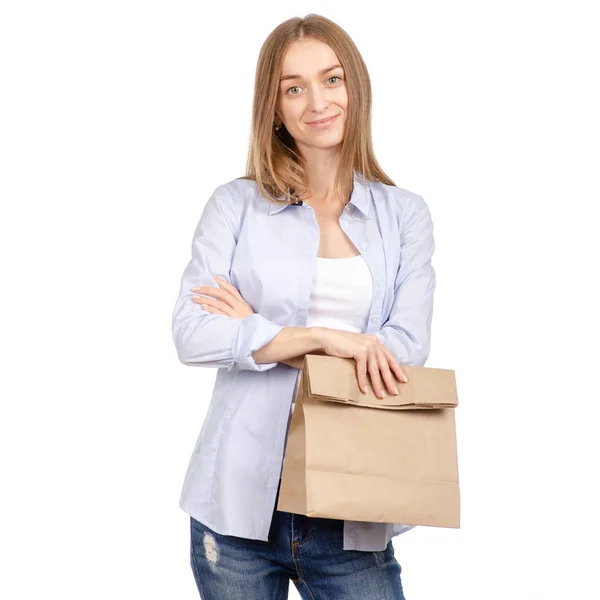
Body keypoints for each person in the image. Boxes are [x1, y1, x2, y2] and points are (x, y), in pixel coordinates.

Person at [171, 13, 436, 600]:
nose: (317, 101)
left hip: (353, 510)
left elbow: (404, 349)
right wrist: (330, 338)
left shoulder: (405, 216)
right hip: (234, 510)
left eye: (332, 79)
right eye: (294, 87)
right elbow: (193, 333)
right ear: (274, 107)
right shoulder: (233, 207)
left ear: (354, 87)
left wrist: (259, 334)